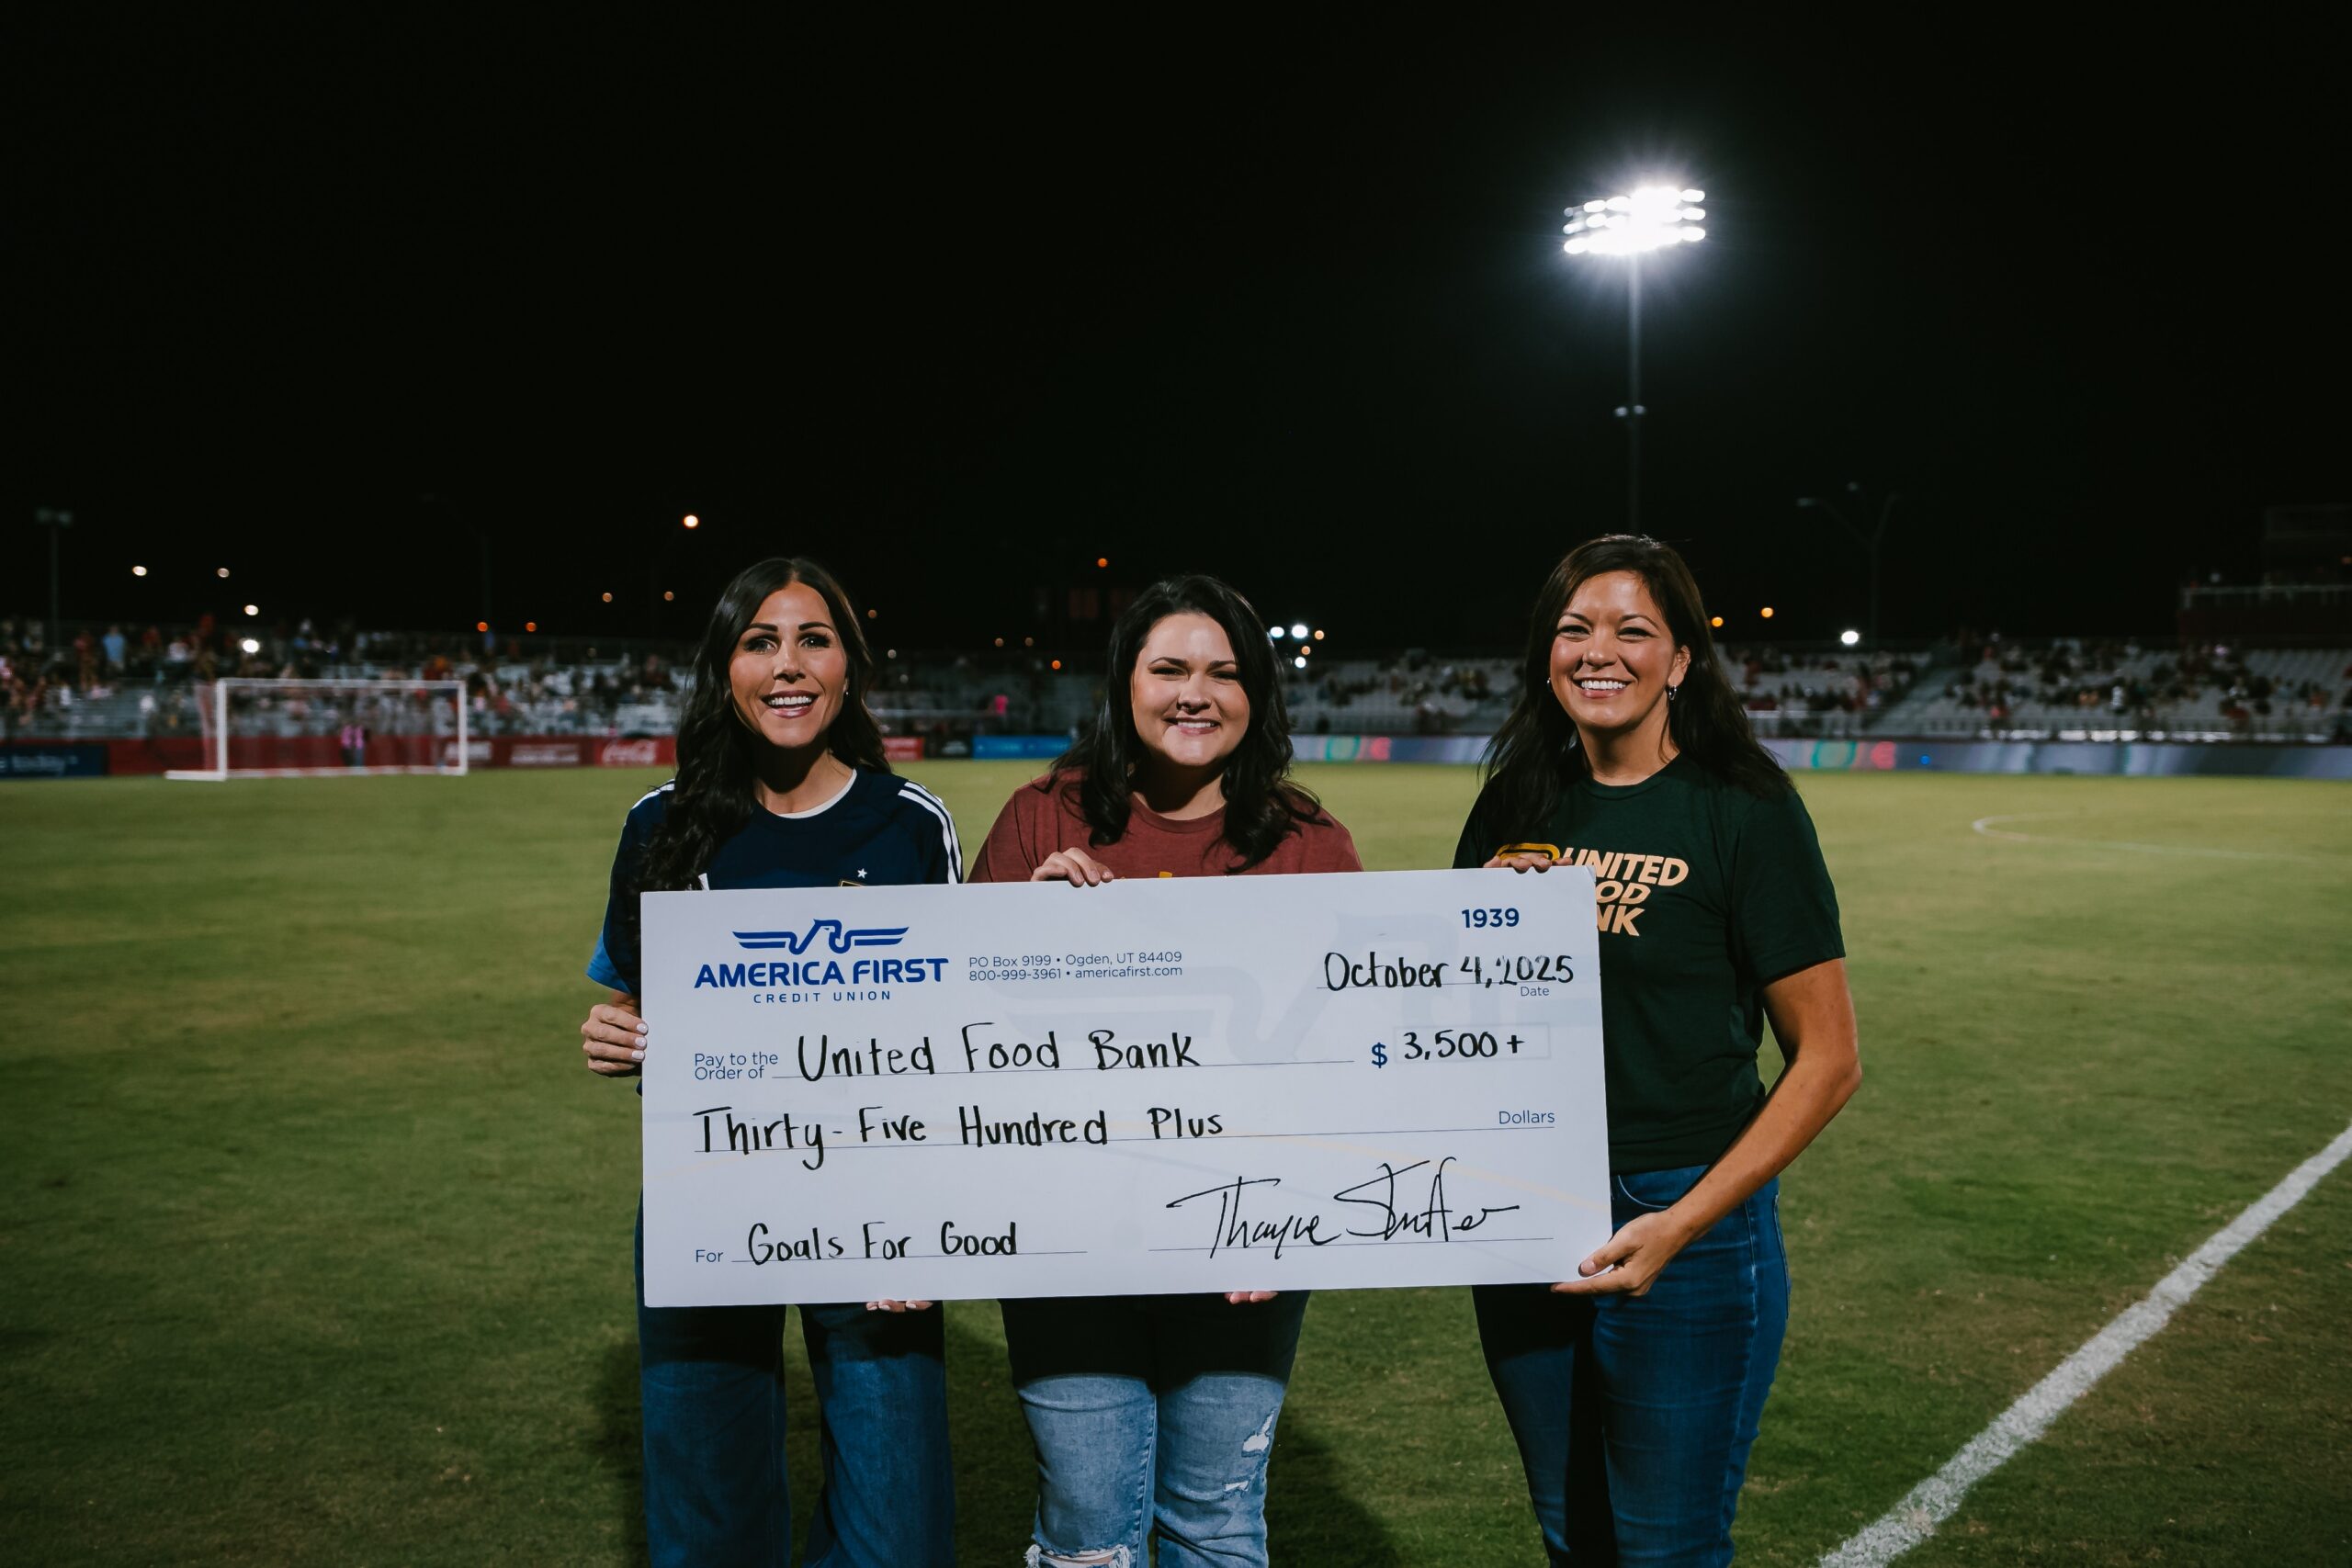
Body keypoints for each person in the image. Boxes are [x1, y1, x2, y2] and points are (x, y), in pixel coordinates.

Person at [1458, 535, 1861, 1567]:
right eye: (1574, 629)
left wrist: (1680, 1224)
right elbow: (1454, 1024)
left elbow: (1827, 1057)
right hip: (1526, 1209)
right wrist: (1474, 933)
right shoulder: (1514, 801)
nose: (1599, 651)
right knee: (1570, 1533)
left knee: (1665, 1547)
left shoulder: (1745, 807)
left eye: (1632, 630)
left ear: (1681, 660)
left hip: (1684, 1216)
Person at [576, 557, 964, 1568]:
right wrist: (615, 1031)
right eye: (760, 642)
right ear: (726, 669)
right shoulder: (661, 823)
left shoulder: (911, 824)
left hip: (877, 1204)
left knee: (899, 1537)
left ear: (849, 667)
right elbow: (637, 1002)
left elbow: (957, 1042)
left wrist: (927, 1217)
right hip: (707, 1196)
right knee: (708, 1523)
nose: (787, 665)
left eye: (813, 640)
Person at [967, 574, 1362, 1568]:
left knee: (1216, 1523)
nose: (1195, 693)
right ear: (1124, 684)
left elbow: (1352, 1062)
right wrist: (1020, 931)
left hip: (1245, 1242)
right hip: (1066, 1239)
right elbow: (959, 1040)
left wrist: (1290, 1215)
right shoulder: (1039, 819)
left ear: (1256, 693)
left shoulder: (1309, 844)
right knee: (1085, 1530)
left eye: (1224, 673)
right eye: (1170, 669)